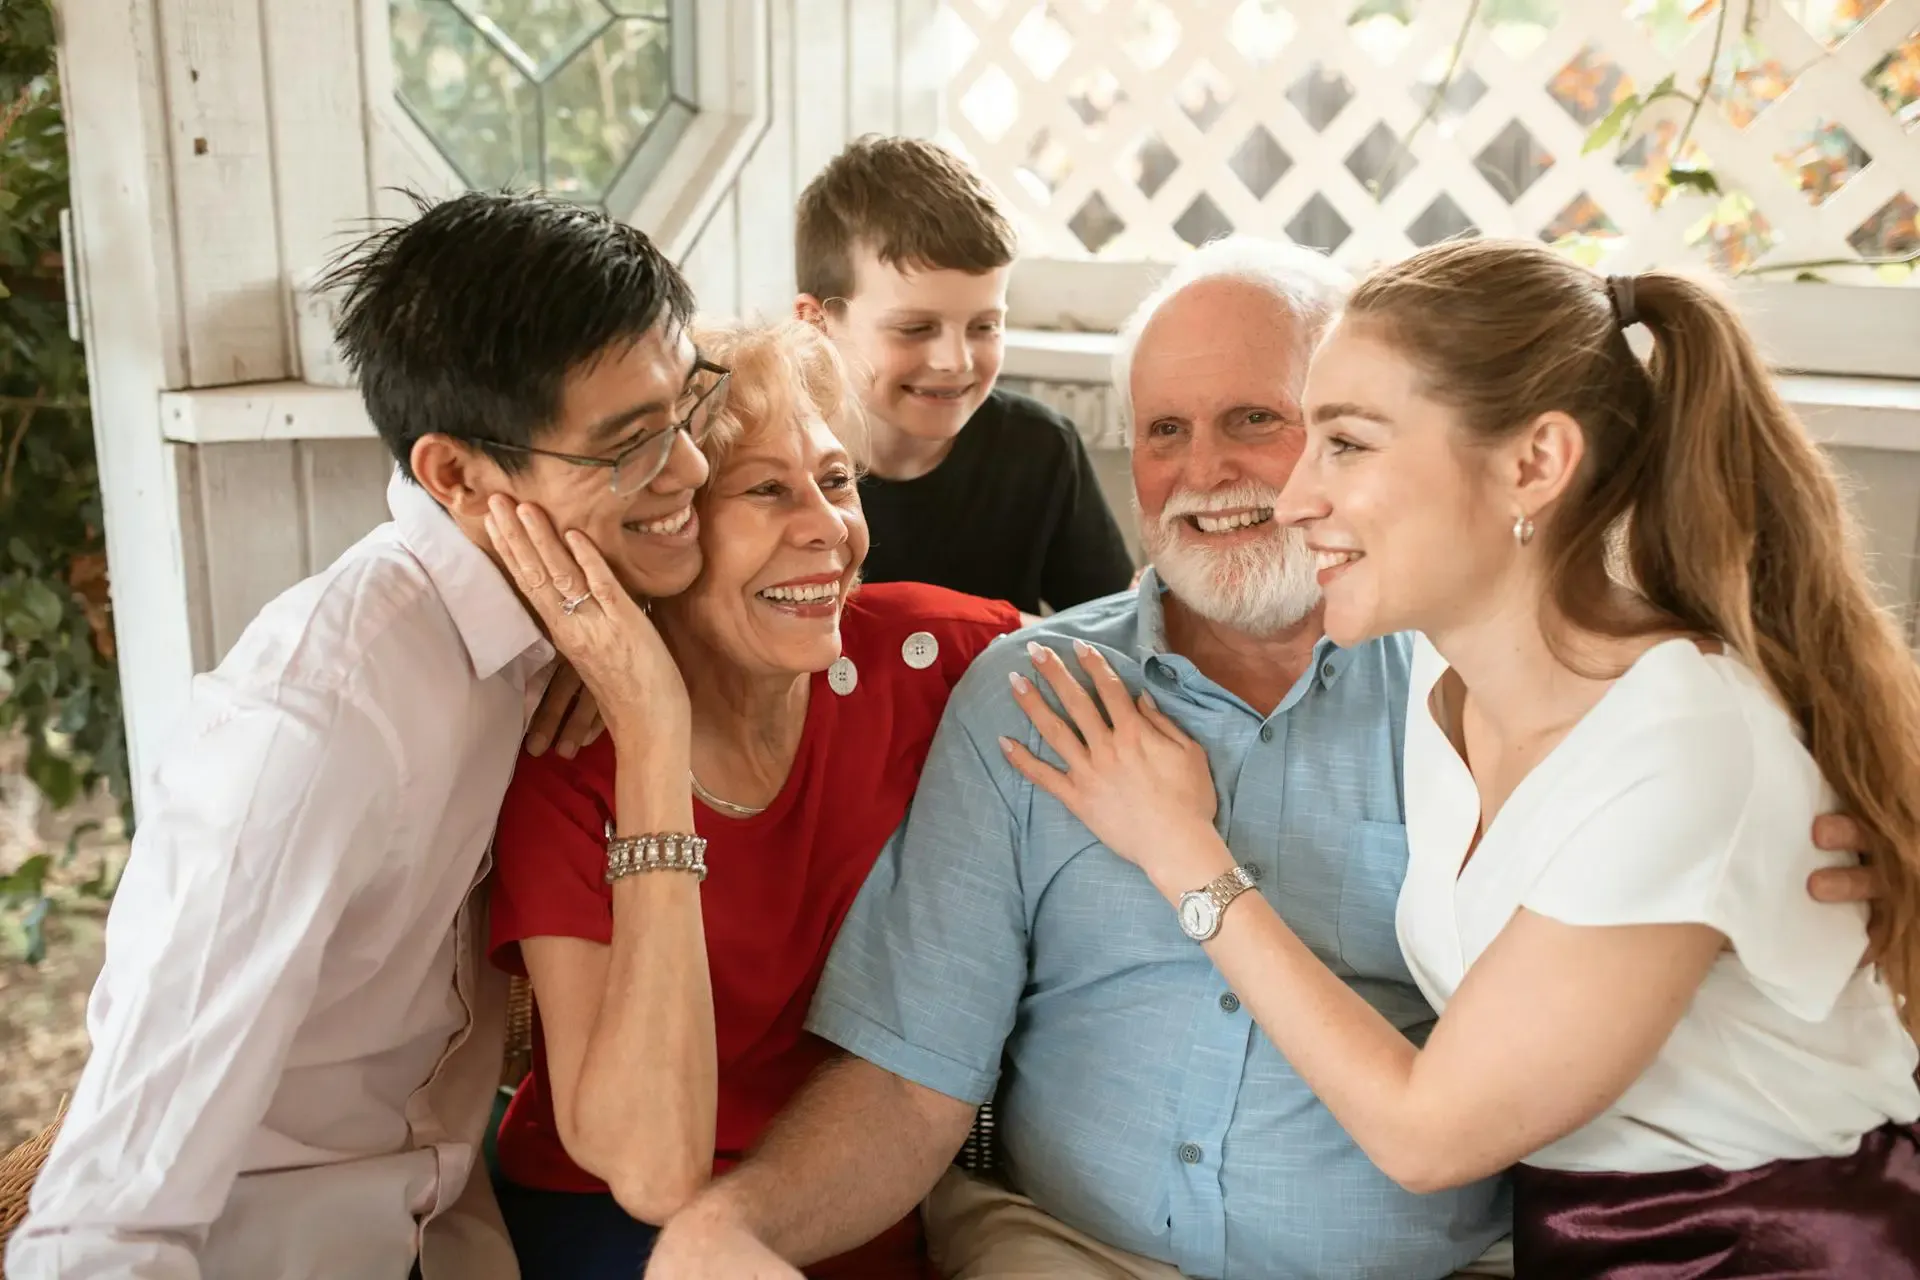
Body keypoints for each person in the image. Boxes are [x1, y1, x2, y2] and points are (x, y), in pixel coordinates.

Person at [638, 237, 1890, 1280]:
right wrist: (736, 1221)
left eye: (1276, 426)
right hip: (1070, 1250)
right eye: (1164, 431)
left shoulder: (1502, 695)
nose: (1229, 479)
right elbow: (914, 1078)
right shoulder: (1037, 689)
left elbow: (1439, 1123)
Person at [999, 238, 1920, 1276]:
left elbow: (1426, 1134)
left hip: (1776, 1247)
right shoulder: (1447, 688)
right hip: (1585, 1243)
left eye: (1344, 443)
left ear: (1534, 464)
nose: (1297, 496)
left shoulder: (1675, 743)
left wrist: (1181, 849)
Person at [4, 191, 714, 1280]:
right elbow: (106, 1222)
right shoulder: (313, 724)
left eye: (684, 407)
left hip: (457, 1228)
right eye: (630, 446)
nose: (690, 470)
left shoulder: (559, 619)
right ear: (455, 476)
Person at [482, 318, 1024, 1280]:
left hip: (841, 1206)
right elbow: (651, 1173)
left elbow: (1149, 646)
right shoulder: (568, 760)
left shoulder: (926, 658)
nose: (827, 527)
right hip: (614, 1232)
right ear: (667, 530)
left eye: (837, 480)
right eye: (767, 490)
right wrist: (652, 728)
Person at [794, 134, 1134, 614]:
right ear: (817, 324)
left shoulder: (1041, 451)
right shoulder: (769, 462)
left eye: (985, 326)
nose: (956, 361)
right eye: (915, 328)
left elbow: (1112, 629)